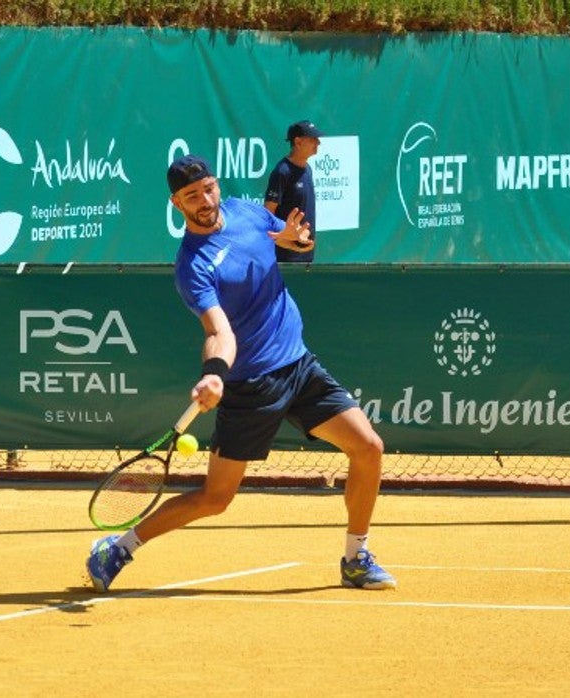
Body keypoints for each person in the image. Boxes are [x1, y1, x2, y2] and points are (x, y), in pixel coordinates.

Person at [86, 154, 396, 592]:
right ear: (177, 204)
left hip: (299, 364)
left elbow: (279, 239)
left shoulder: (246, 211)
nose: (204, 200)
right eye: (191, 196)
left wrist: (293, 238)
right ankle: (121, 546)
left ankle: (355, 558)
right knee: (216, 499)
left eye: (208, 188)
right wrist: (214, 373)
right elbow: (219, 330)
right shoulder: (192, 266)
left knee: (368, 447)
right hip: (251, 385)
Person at [264, 120, 322, 263]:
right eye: (313, 139)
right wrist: (286, 241)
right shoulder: (282, 172)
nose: (318, 143)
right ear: (298, 142)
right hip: (285, 257)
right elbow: (266, 215)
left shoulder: (308, 169)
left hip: (306, 252)